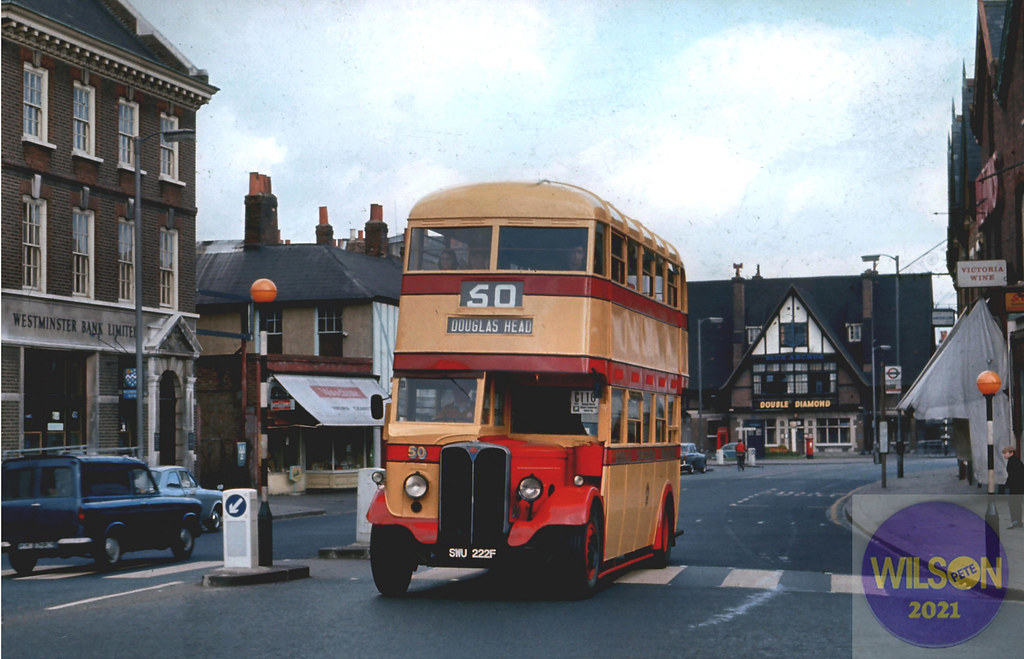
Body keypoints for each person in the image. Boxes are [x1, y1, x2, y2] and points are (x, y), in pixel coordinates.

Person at [1003, 445, 1024, 528]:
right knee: (1016, 504)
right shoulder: (1016, 461)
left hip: (1015, 487)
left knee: (1013, 504)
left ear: (1011, 453)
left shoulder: (1012, 462)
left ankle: (1016, 520)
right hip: (1018, 486)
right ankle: (1017, 521)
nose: (1004, 455)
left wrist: (1007, 484)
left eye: (1005, 453)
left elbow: (1013, 476)